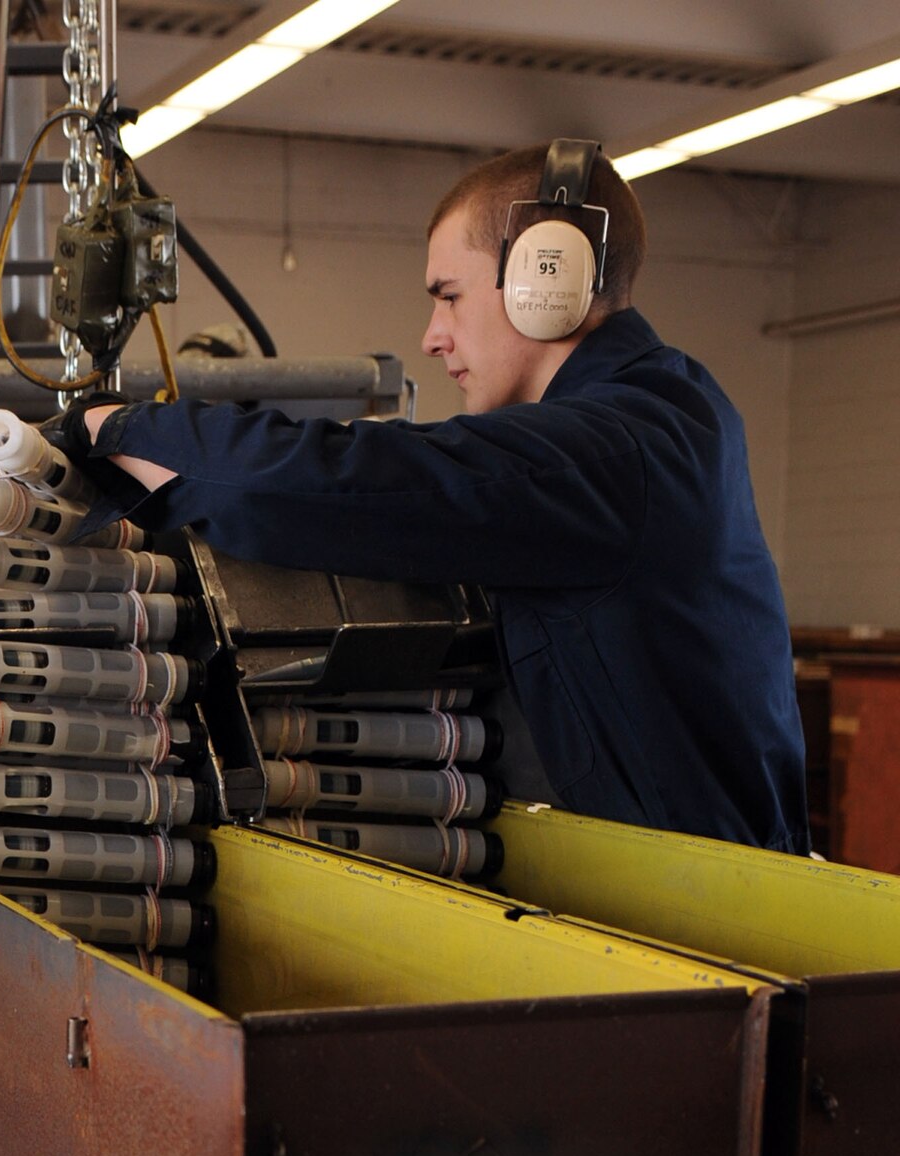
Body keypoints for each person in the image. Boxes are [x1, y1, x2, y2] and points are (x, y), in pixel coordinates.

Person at [66, 140, 810, 853]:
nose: (433, 336)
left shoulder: (618, 450)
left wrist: (124, 429)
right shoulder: (665, 409)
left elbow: (366, 482)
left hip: (695, 906)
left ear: (544, 282)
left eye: (450, 297)